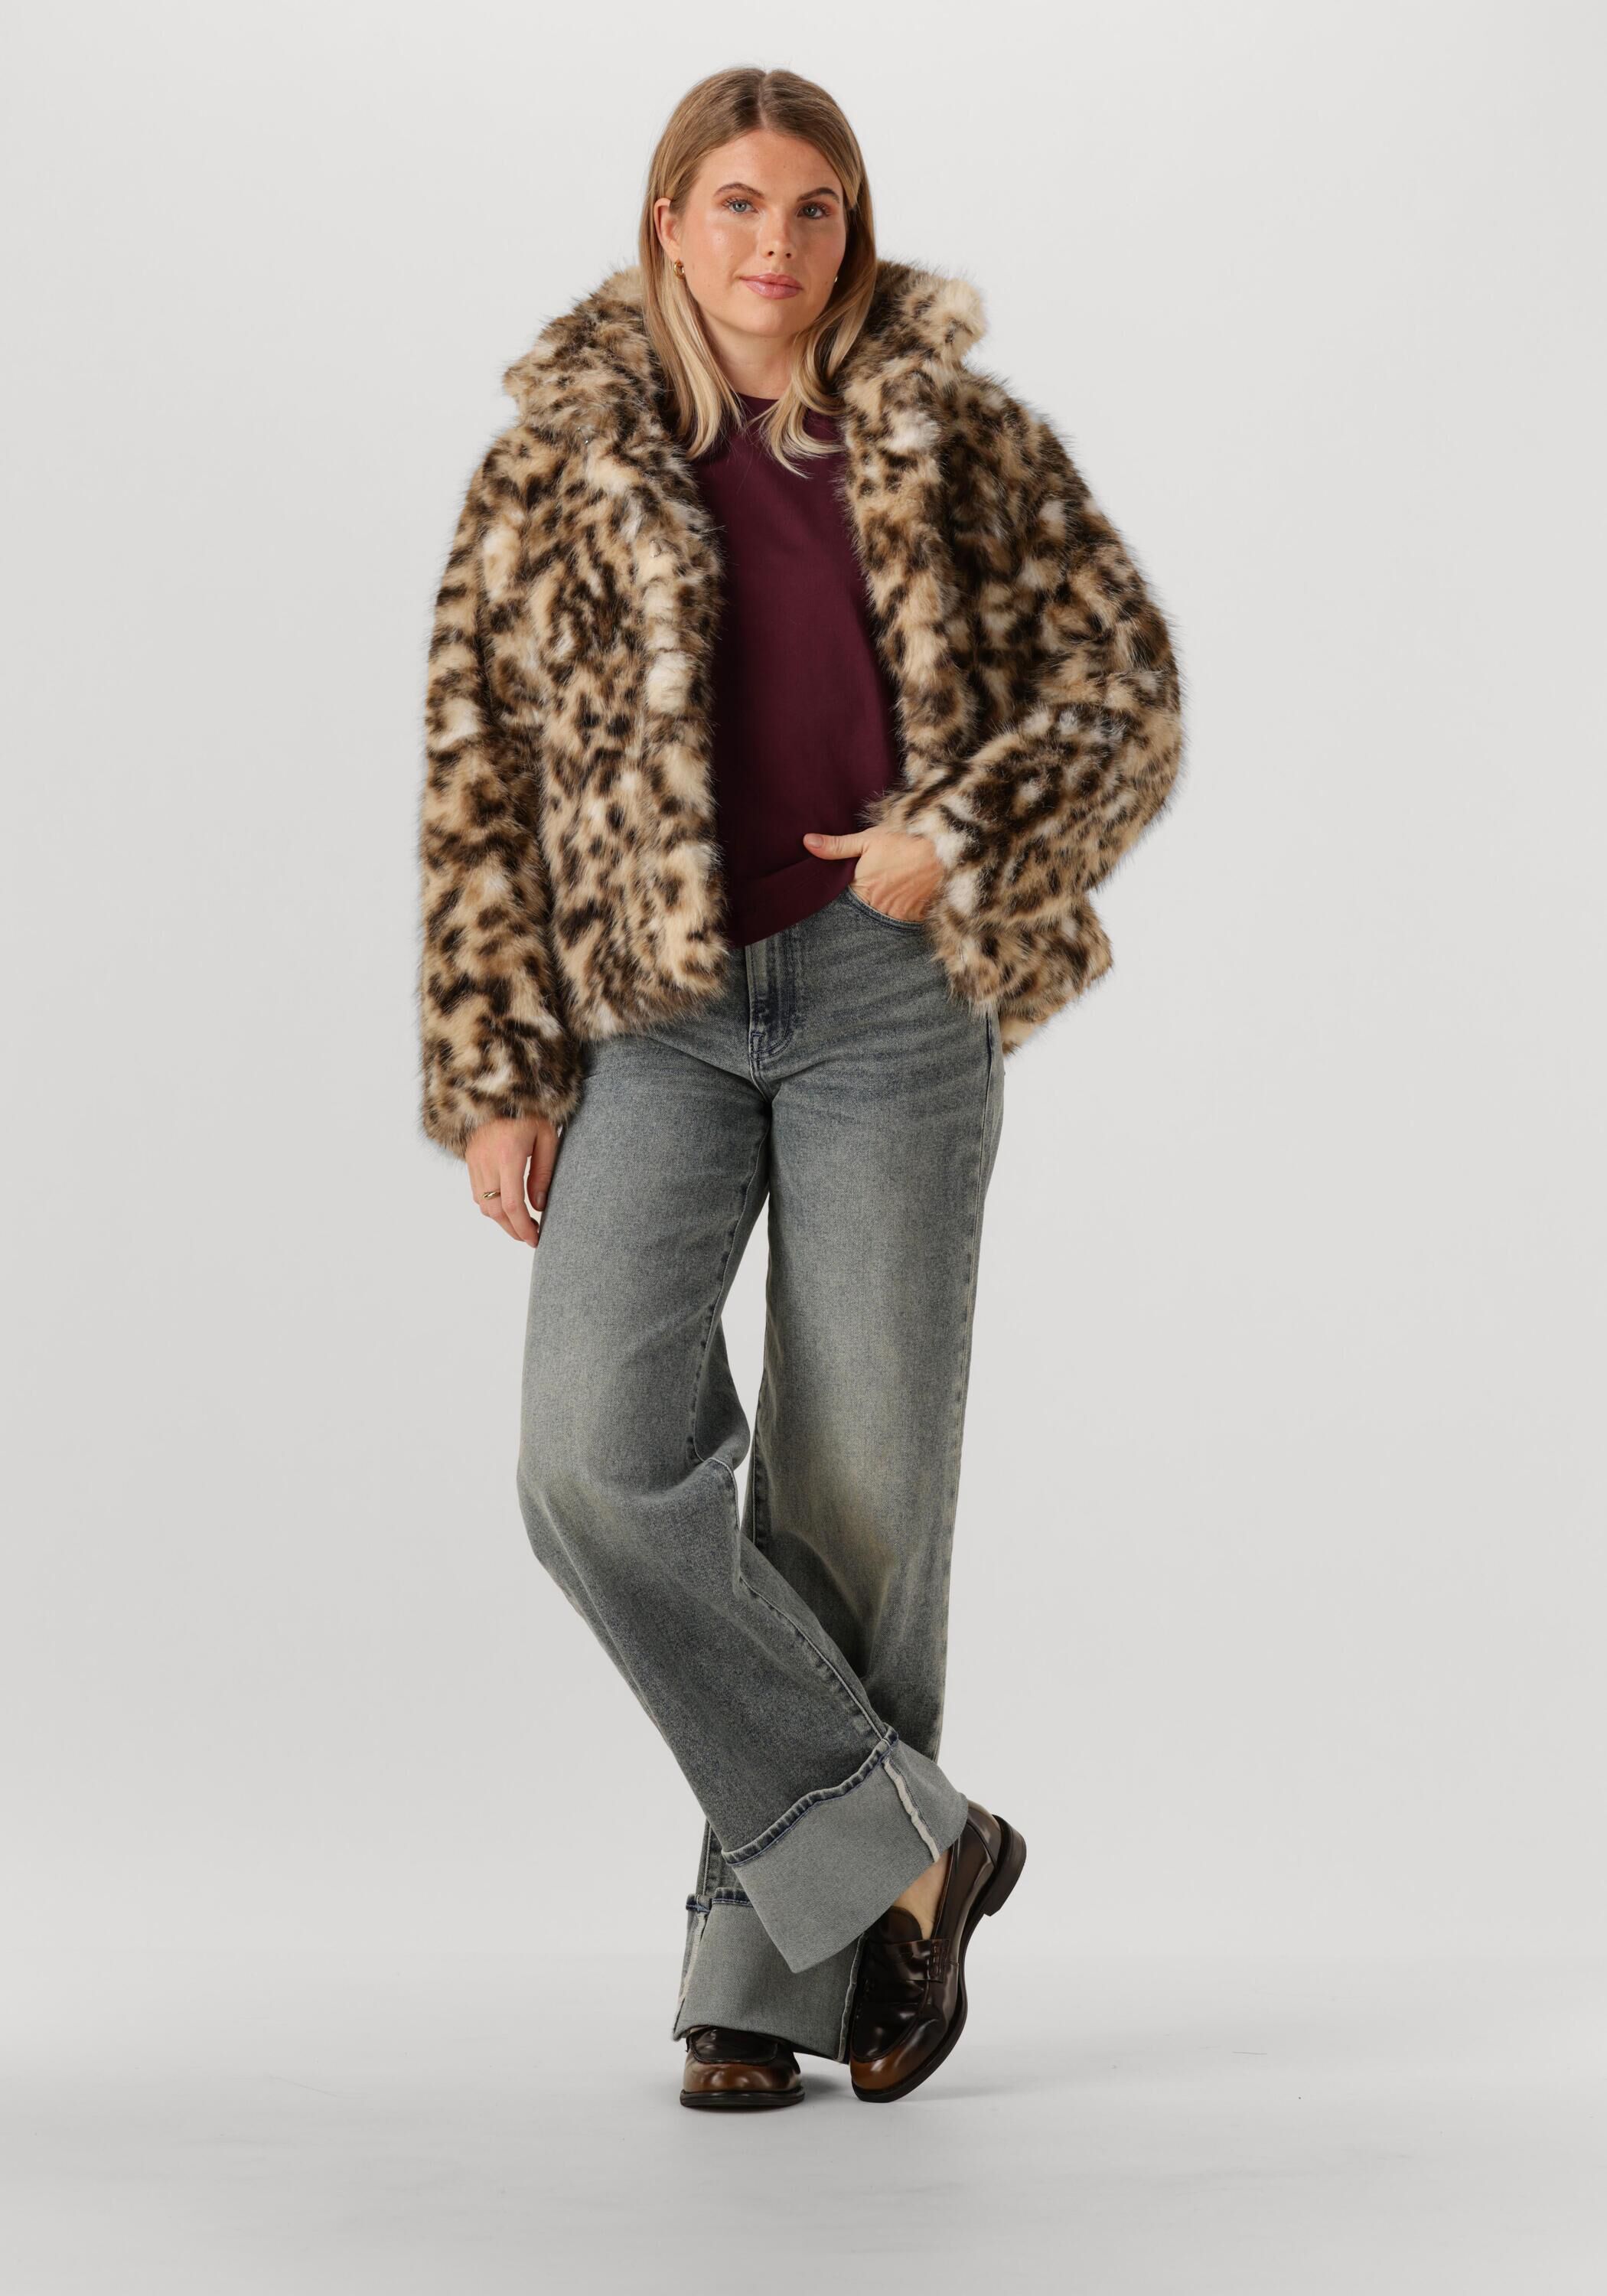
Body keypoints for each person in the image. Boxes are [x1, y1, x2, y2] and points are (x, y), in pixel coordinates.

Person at [416, 65, 1184, 2112]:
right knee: (590, 1466)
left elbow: (1122, 693)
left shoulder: (959, 437)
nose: (777, 243)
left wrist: (958, 829)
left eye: (815, 207)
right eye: (738, 203)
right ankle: (917, 1844)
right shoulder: (552, 464)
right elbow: (479, 779)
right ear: (668, 220)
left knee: (857, 1493)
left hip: (885, 999)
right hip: (648, 1013)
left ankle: (762, 1983)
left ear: (852, 227)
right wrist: (495, 1068)